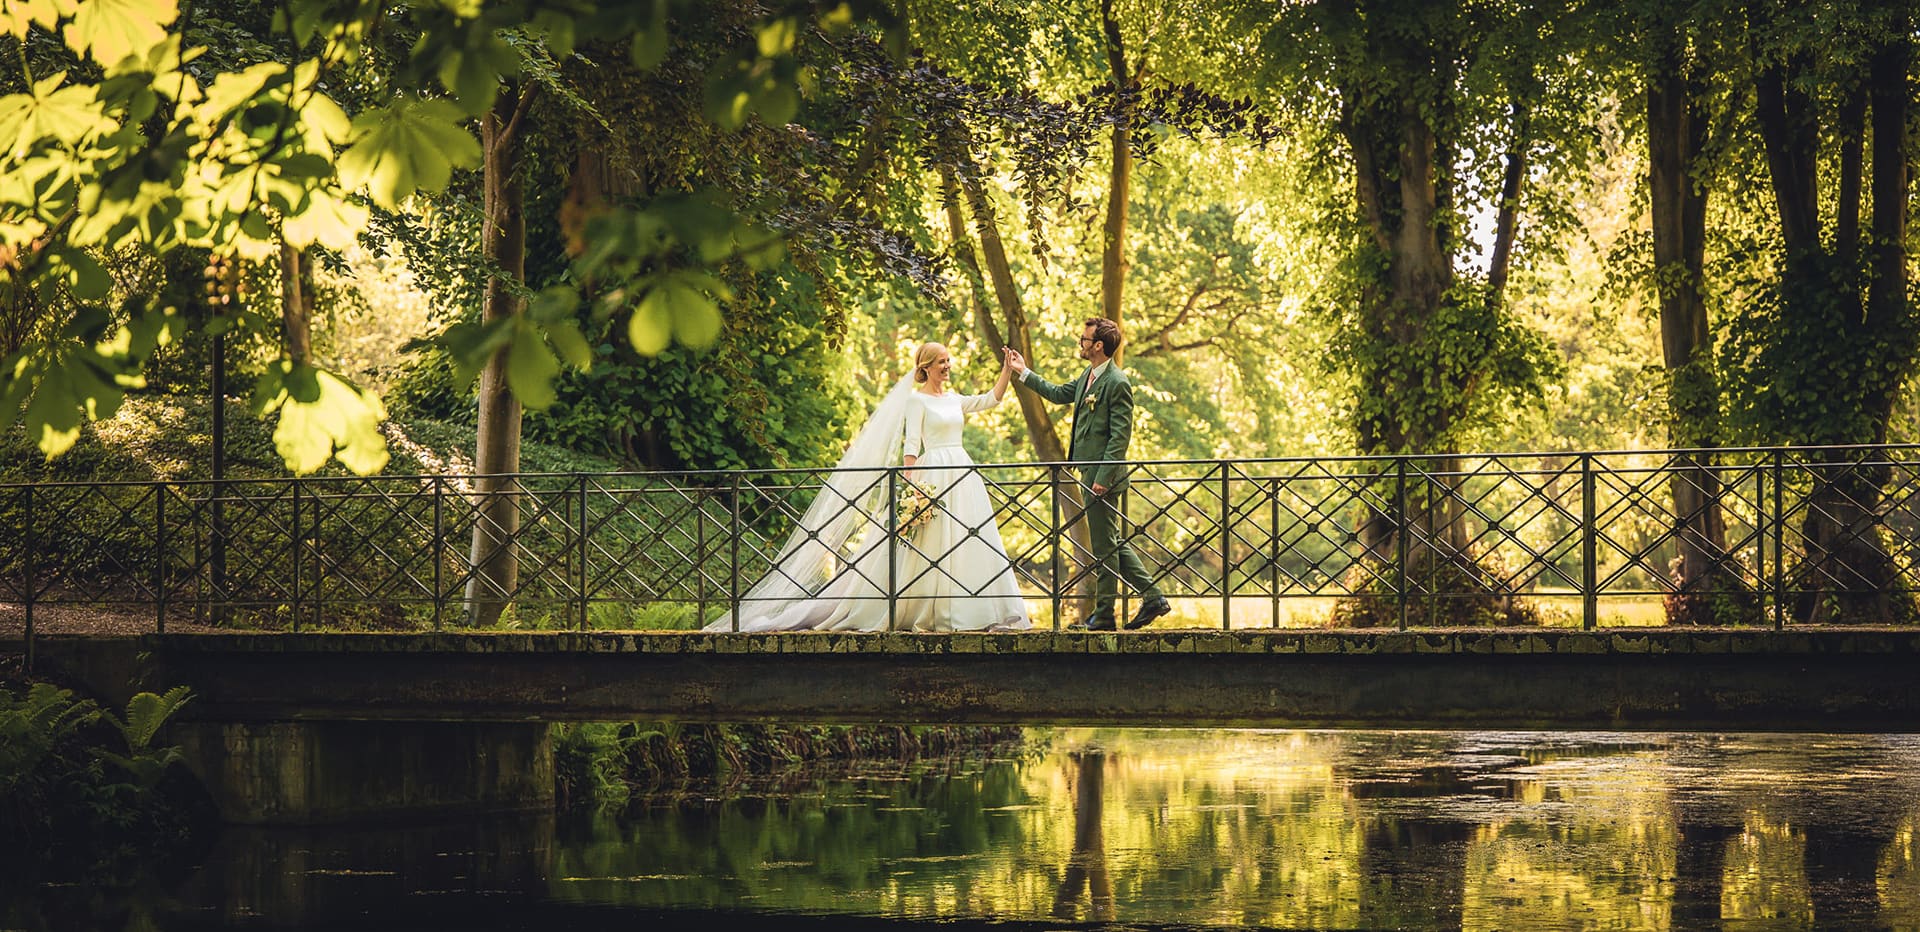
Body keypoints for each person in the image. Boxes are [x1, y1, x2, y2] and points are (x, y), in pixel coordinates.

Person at [706, 342, 1031, 632]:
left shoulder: (955, 399)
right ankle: (927, 609)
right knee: (930, 545)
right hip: (932, 473)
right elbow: (912, 444)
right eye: (941, 362)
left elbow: (992, 399)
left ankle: (968, 608)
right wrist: (912, 486)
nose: (947, 366)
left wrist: (1007, 371)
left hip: (961, 474)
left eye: (949, 360)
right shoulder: (917, 402)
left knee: (966, 538)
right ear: (927, 367)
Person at [1003, 318, 1169, 630]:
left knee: (1105, 545)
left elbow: (1120, 437)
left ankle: (1105, 615)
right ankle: (1153, 597)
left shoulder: (1117, 383)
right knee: (1111, 541)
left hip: (1103, 478)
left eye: (1084, 339)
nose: (1080, 343)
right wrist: (1021, 371)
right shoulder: (1088, 376)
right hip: (1089, 473)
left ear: (1098, 346)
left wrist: (1102, 479)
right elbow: (1055, 393)